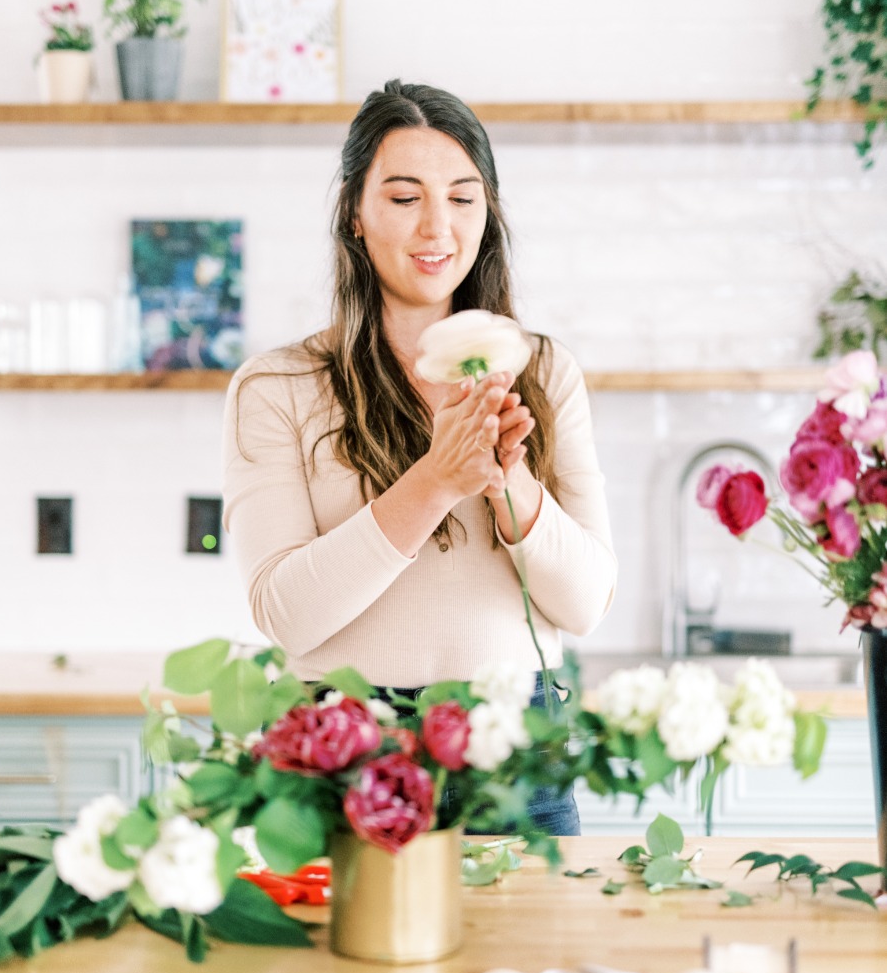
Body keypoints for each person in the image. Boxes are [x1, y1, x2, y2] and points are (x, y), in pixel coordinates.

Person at [222, 79, 617, 835]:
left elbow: (586, 601)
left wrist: (509, 482)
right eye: (405, 197)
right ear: (354, 214)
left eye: (464, 198)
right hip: (344, 739)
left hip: (514, 740)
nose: (438, 226)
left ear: (488, 214)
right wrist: (435, 480)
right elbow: (286, 613)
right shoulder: (277, 387)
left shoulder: (544, 371)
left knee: (523, 955)